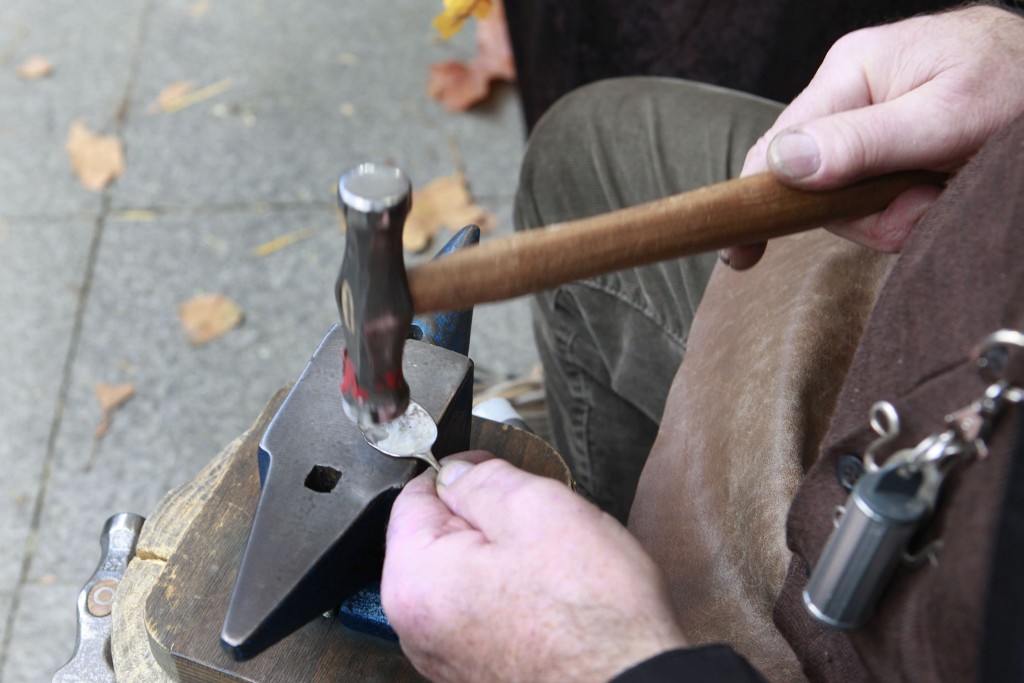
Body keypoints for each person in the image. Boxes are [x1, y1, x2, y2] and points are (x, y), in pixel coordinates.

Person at [380, 5, 1024, 682]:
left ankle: (603, 573)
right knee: (591, 151)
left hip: (919, 614)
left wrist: (593, 660)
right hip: (980, 264)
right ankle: (603, 520)